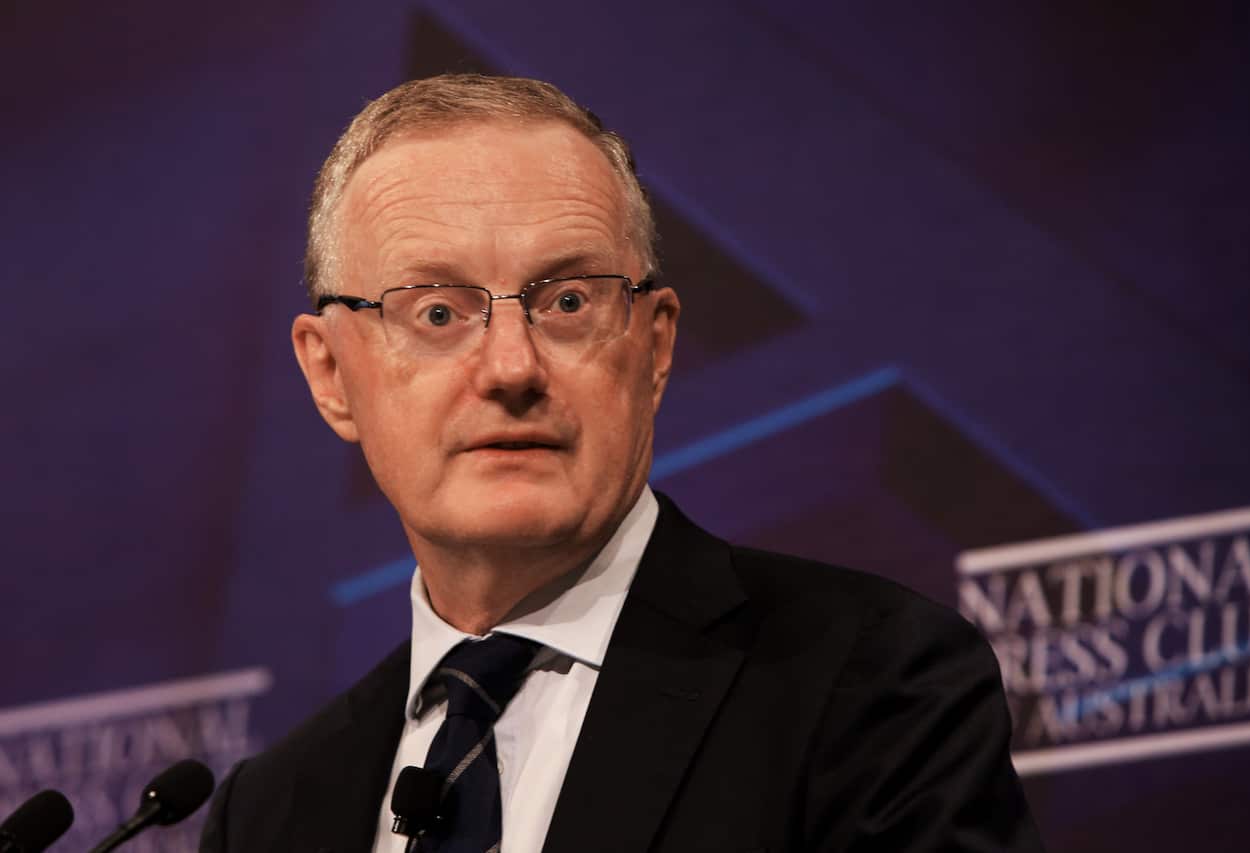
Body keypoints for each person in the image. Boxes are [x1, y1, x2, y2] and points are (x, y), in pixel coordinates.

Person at [200, 74, 1043, 852]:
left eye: (568, 302)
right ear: (331, 374)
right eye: (437, 311)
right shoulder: (270, 816)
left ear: (655, 346)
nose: (511, 368)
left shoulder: (870, 685)